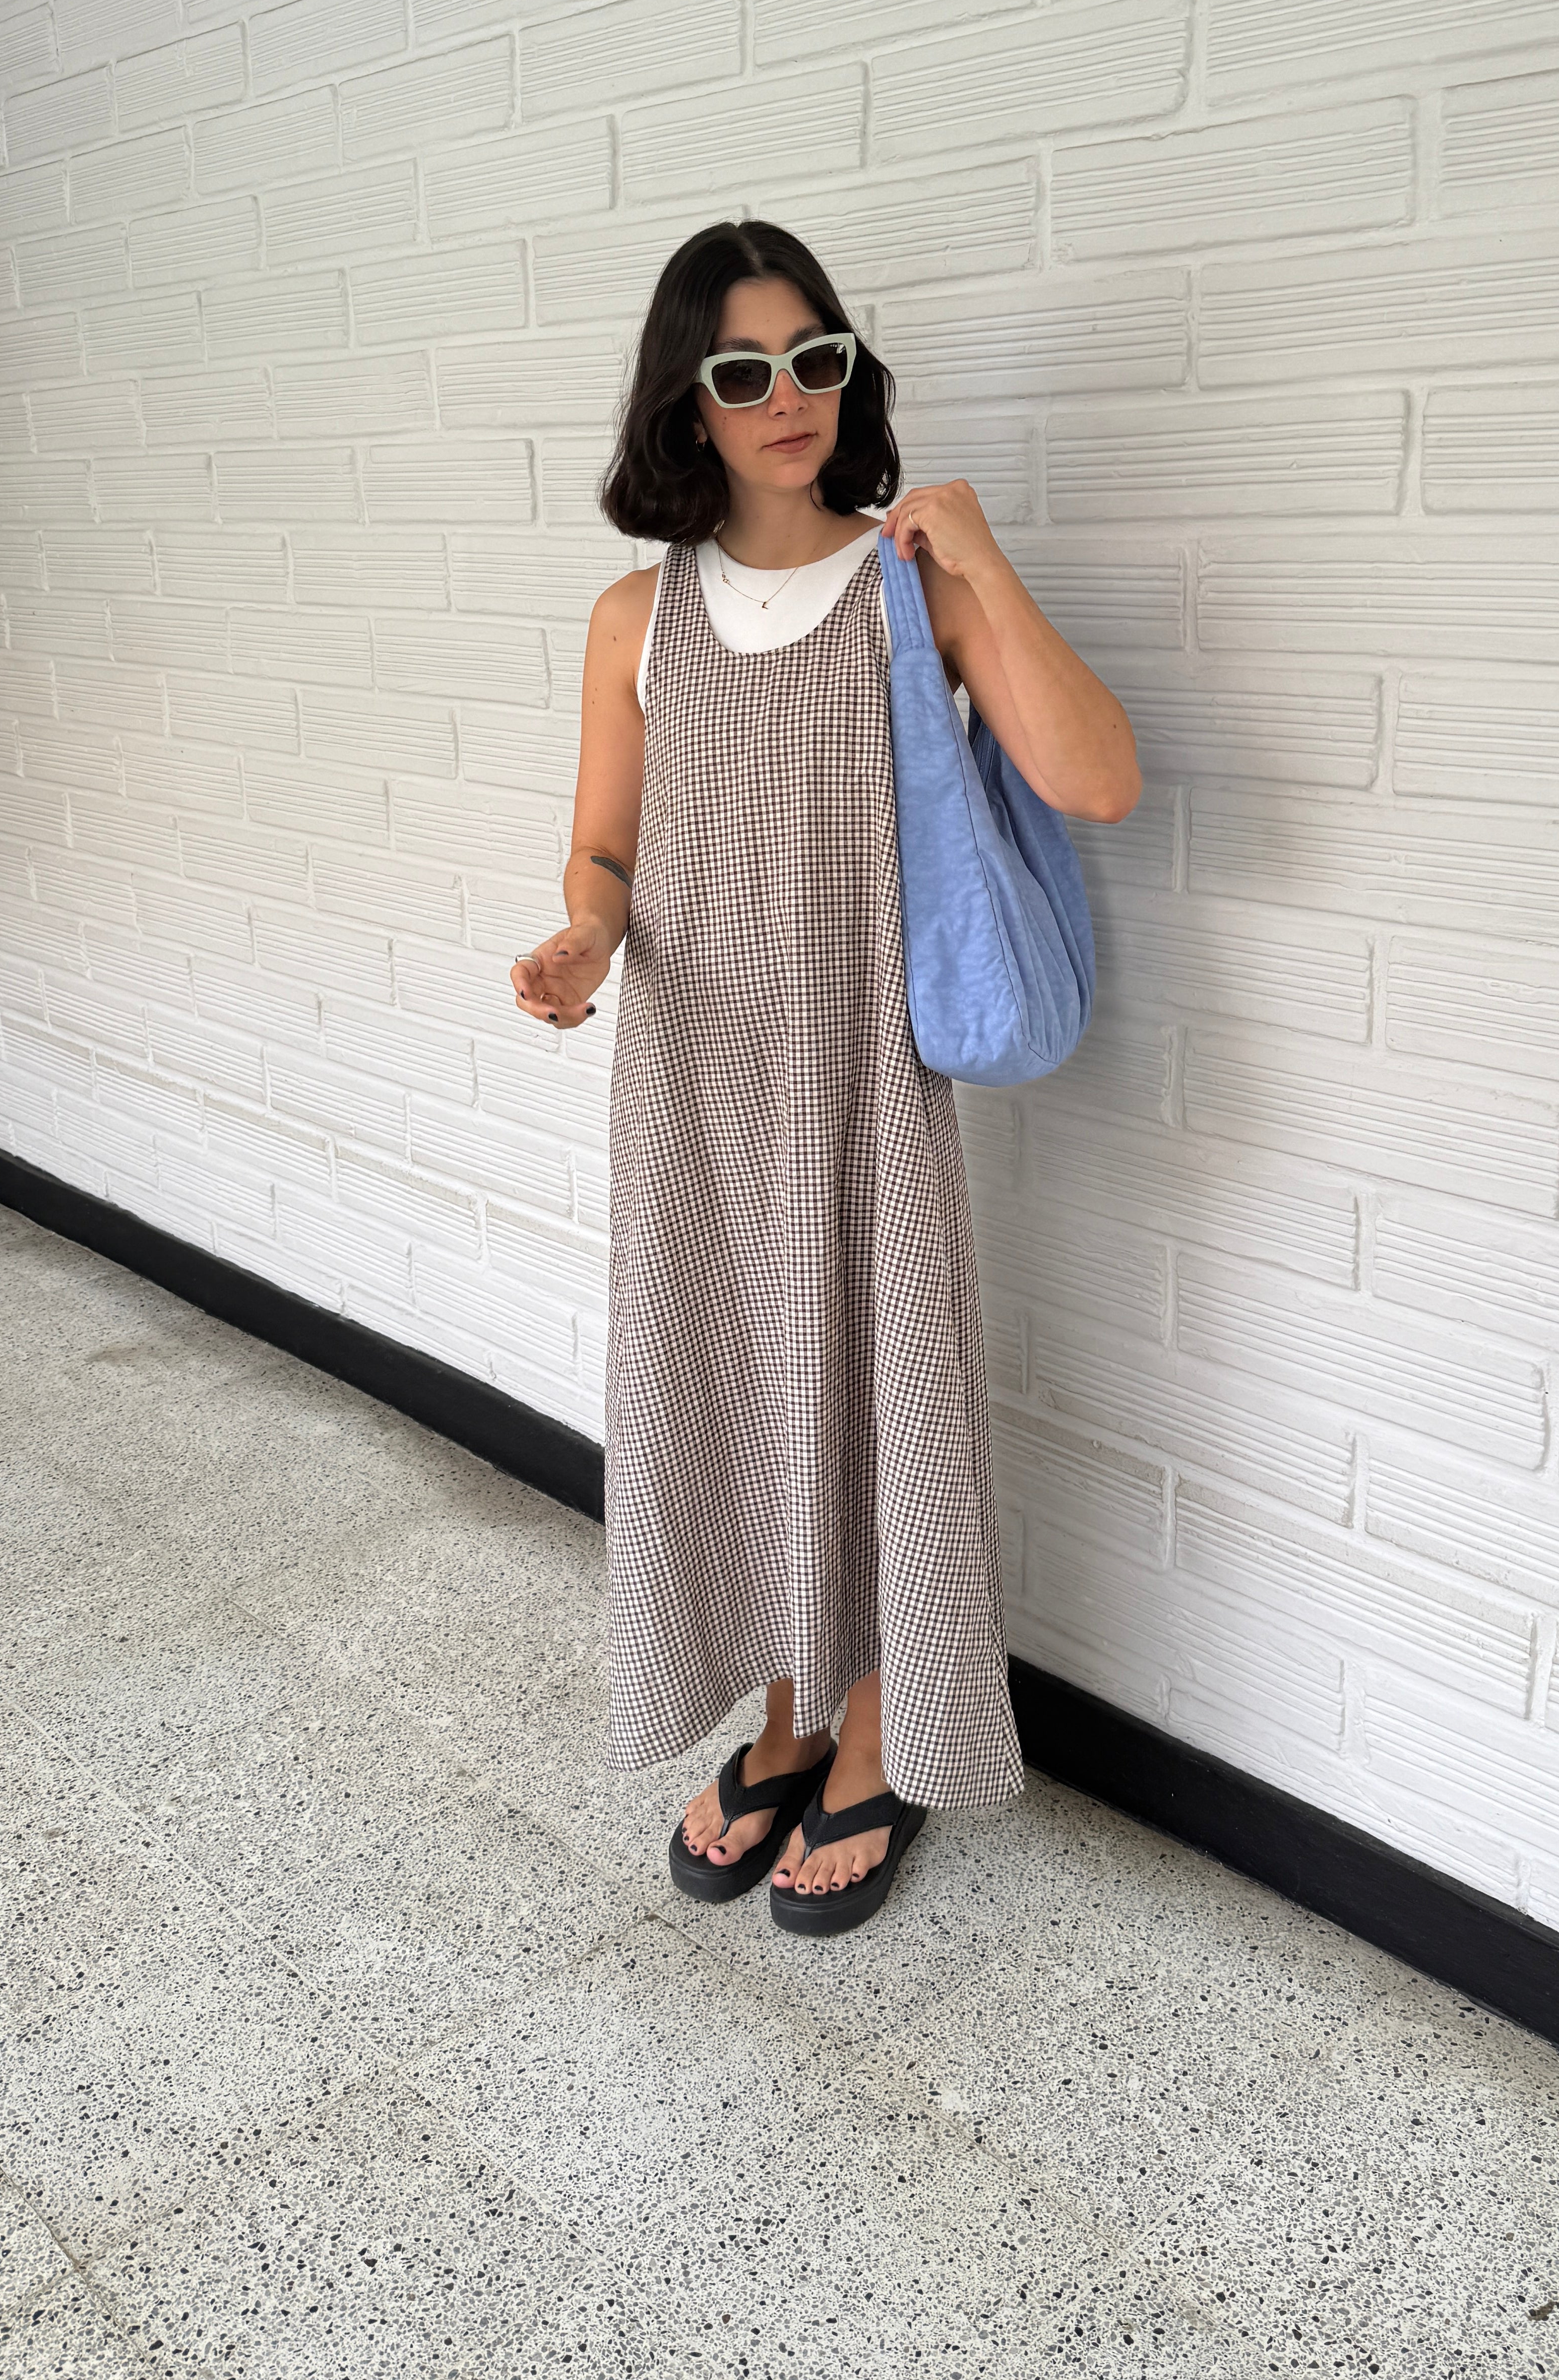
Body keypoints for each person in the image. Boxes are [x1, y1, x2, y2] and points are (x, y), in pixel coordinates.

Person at [510, 219, 1140, 1933]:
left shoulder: (910, 586)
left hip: (862, 1073)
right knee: (724, 1384)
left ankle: (876, 1726)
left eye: (815, 359)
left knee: (877, 1387)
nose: (786, 396)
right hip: (692, 1079)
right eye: (742, 371)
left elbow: (1096, 781)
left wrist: (981, 566)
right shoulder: (634, 615)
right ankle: (783, 1710)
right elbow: (605, 846)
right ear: (687, 404)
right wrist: (585, 937)